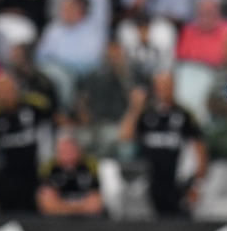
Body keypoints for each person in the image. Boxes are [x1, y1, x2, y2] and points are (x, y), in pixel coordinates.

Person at [119, 71, 208, 218]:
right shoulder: (146, 114)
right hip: (149, 184)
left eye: (167, 86)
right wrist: (135, 108)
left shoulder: (184, 115)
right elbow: (125, 137)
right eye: (159, 86)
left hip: (178, 184)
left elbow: (200, 152)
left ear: (174, 87)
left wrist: (197, 185)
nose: (163, 90)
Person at [0, 71, 52, 214]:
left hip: (38, 173)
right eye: (0, 92)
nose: (5, 95)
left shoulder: (37, 105)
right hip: (9, 176)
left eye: (8, 90)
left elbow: (57, 130)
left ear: (16, 88)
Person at [37, 132, 104, 217]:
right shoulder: (49, 168)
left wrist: (65, 208)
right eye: (64, 151)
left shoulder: (91, 166)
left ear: (79, 150)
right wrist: (74, 208)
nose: (68, 154)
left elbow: (96, 202)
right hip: (57, 218)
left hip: (87, 218)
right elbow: (46, 202)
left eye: (70, 150)